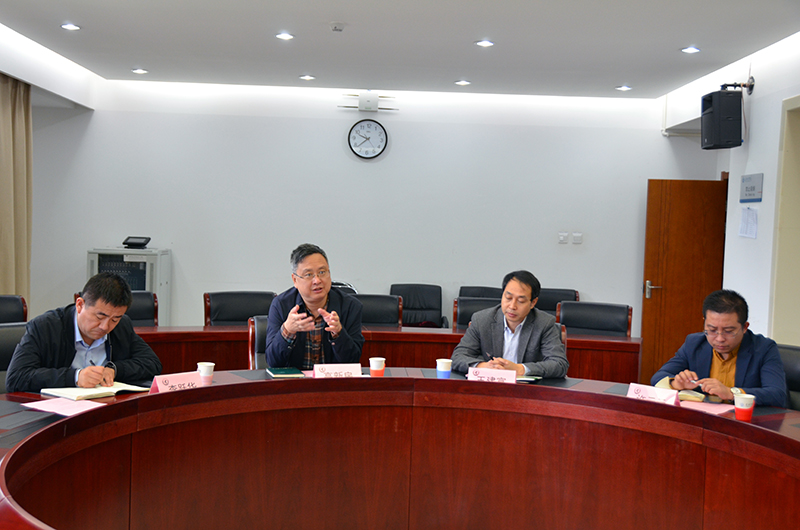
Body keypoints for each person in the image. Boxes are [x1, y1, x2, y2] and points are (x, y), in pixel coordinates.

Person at [5, 273, 163, 393]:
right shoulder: (45, 327)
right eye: (100, 316)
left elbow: (152, 363)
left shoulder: (122, 326)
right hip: (57, 412)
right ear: (80, 305)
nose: (105, 326)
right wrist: (75, 377)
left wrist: (114, 369)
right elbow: (16, 378)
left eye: (115, 319)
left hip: (103, 407)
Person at [651, 289, 787, 408]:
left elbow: (777, 395)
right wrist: (676, 383)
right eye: (712, 330)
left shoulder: (764, 349)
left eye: (729, 331)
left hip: (745, 421)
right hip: (705, 418)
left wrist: (731, 393)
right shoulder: (694, 344)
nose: (719, 338)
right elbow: (658, 377)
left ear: (745, 327)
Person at [451, 270, 568, 378]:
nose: (512, 306)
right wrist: (484, 366)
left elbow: (559, 364)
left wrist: (520, 369)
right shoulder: (482, 320)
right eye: (508, 297)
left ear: (533, 302)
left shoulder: (544, 323)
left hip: (527, 389)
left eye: (521, 301)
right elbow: (458, 357)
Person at [265, 244, 364, 370]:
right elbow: (273, 363)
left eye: (322, 272)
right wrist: (287, 330)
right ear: (295, 280)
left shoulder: (350, 306)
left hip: (333, 380)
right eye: (308, 274)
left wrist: (339, 334)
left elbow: (352, 361)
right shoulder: (280, 305)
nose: (317, 280)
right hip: (295, 380)